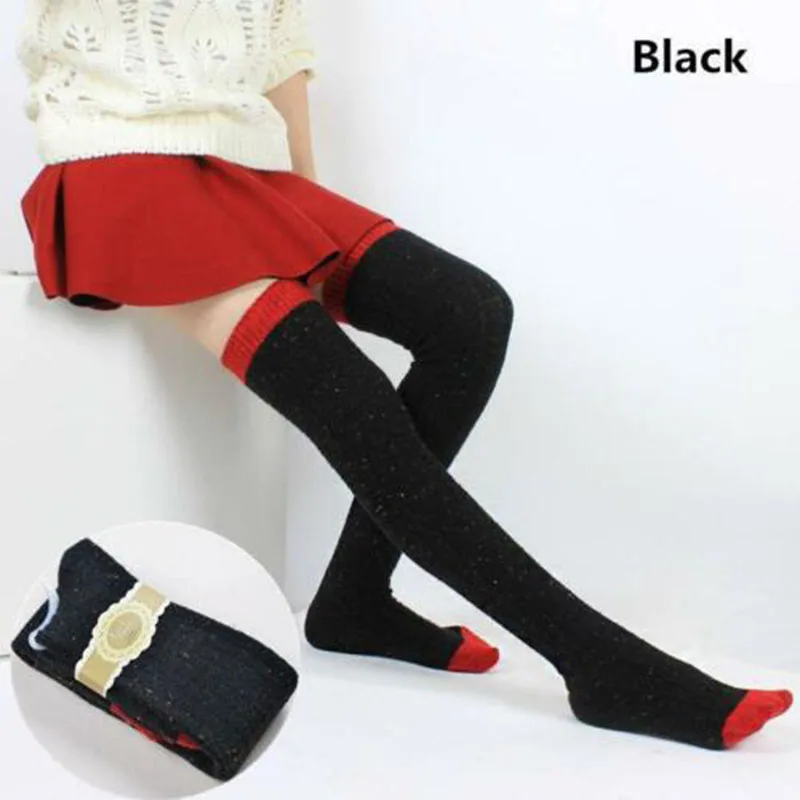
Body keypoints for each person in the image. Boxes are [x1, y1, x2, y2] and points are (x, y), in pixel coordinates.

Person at [16, 0, 791, 751]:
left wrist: (306, 211)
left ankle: (355, 599)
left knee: (468, 313)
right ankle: (599, 664)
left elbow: (281, 46)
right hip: (118, 166)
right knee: (351, 401)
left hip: (241, 168)